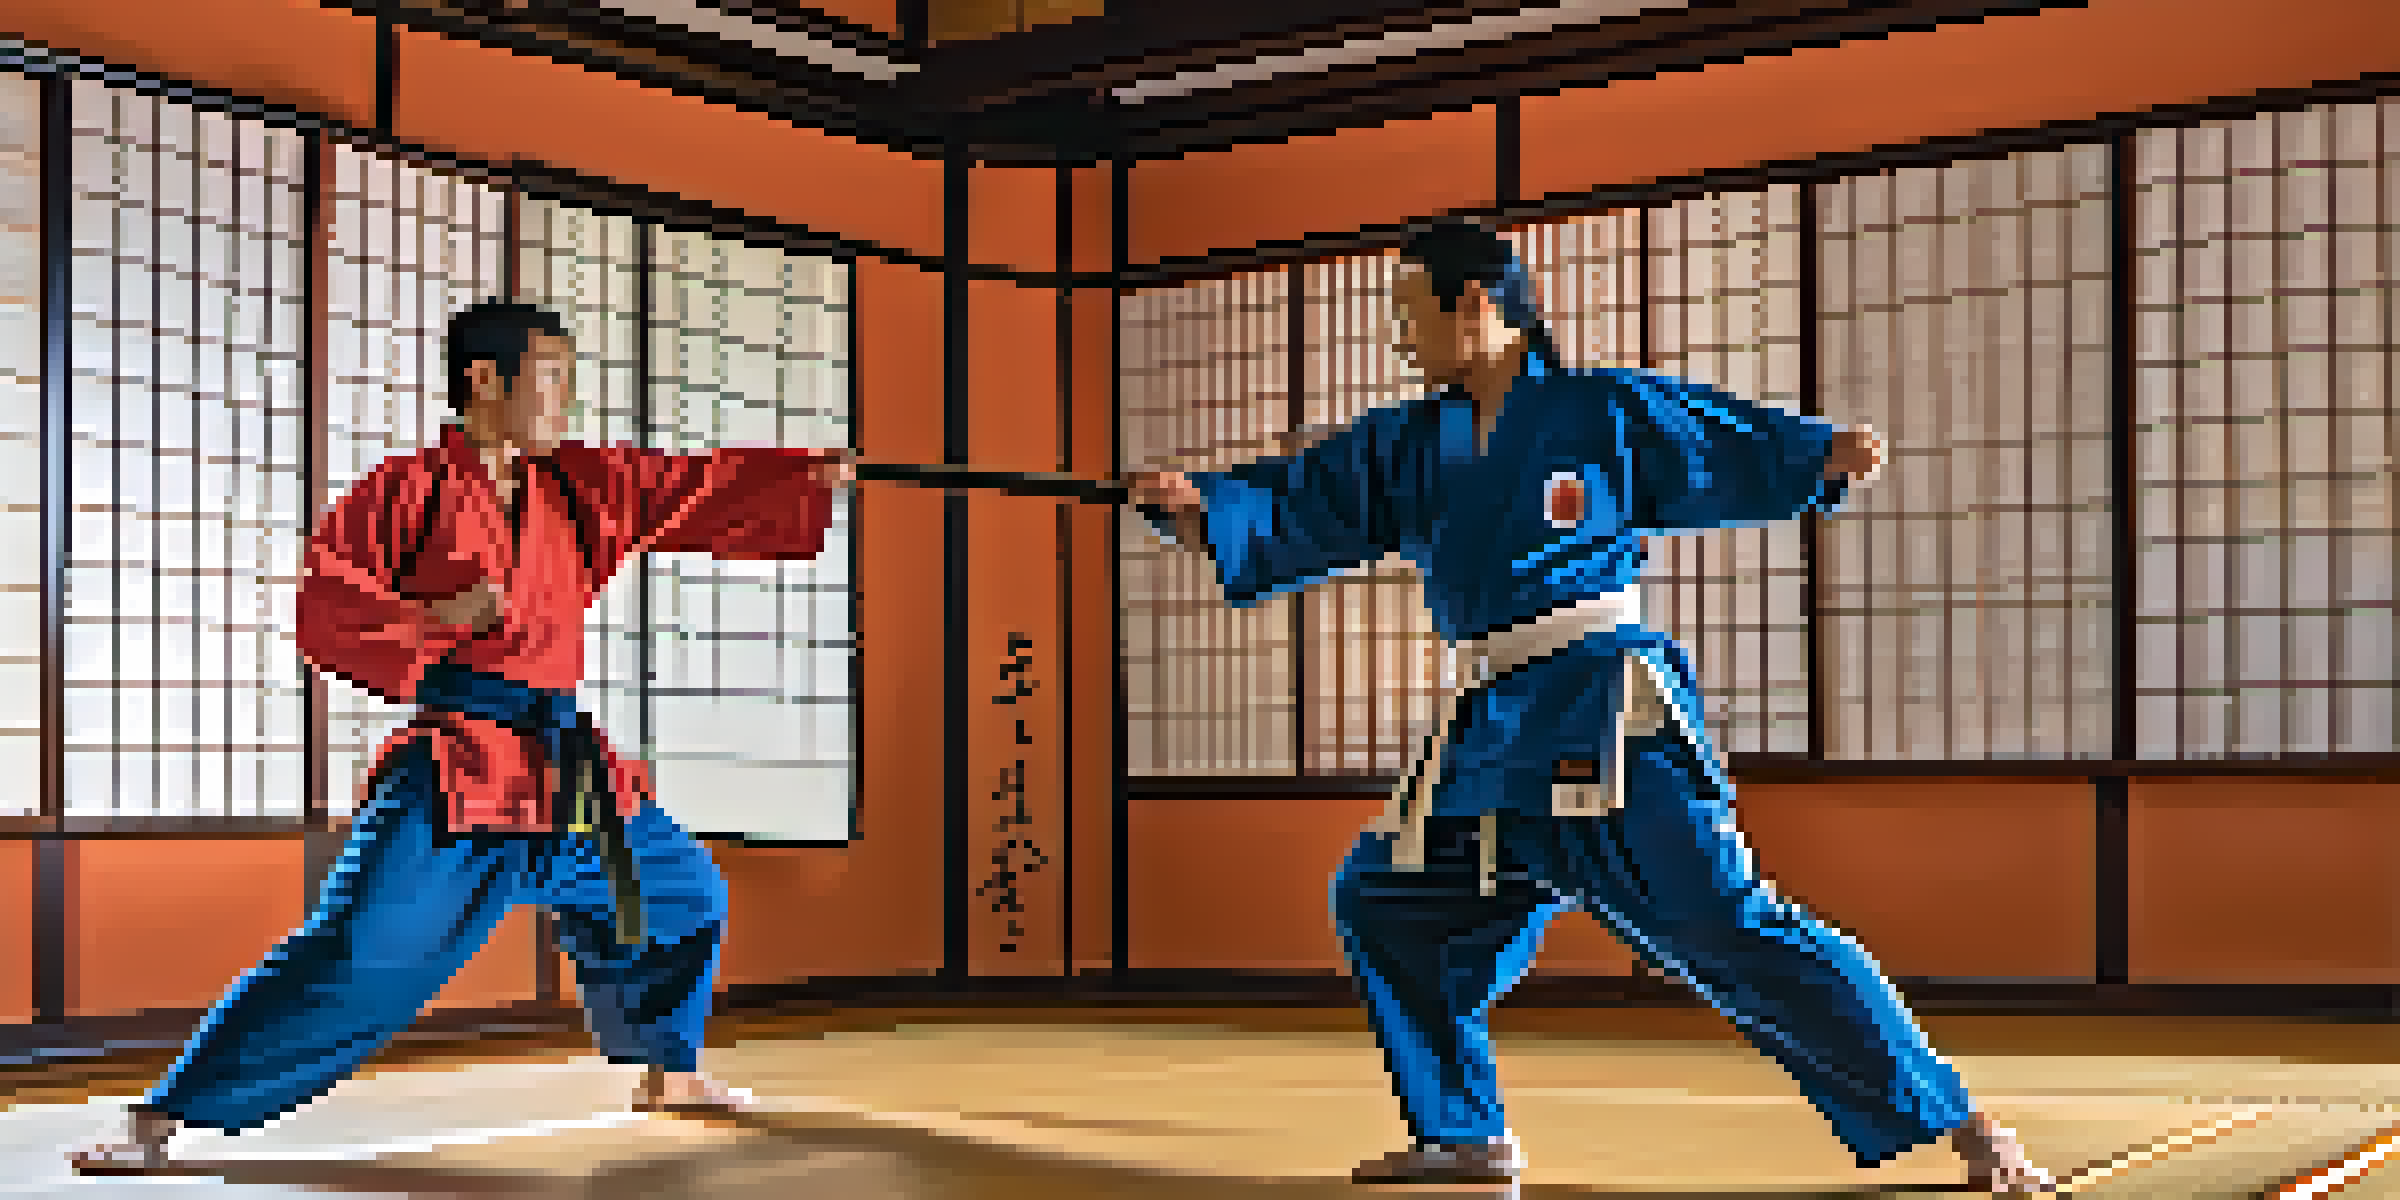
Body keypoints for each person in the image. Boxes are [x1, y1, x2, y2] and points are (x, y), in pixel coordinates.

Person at [1127, 219, 2055, 1194]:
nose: (1403, 338)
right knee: (1392, 902)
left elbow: (1713, 441)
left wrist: (1814, 458)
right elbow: (1297, 505)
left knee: (1721, 921)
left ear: (1473, 303)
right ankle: (1463, 1134)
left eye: (1410, 313)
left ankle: (1957, 1118)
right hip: (1492, 737)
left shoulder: (1600, 410)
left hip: (1607, 712)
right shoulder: (1408, 444)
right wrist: (1199, 509)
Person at [71, 300, 855, 1173]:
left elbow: (688, 485)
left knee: (681, 895)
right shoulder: (404, 489)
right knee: (360, 952)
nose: (565, 399)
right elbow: (326, 603)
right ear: (487, 380)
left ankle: (668, 1070)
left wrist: (805, 476)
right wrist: (439, 617)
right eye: (551, 378)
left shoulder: (581, 484)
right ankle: (161, 1116)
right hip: (461, 769)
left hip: (564, 768)